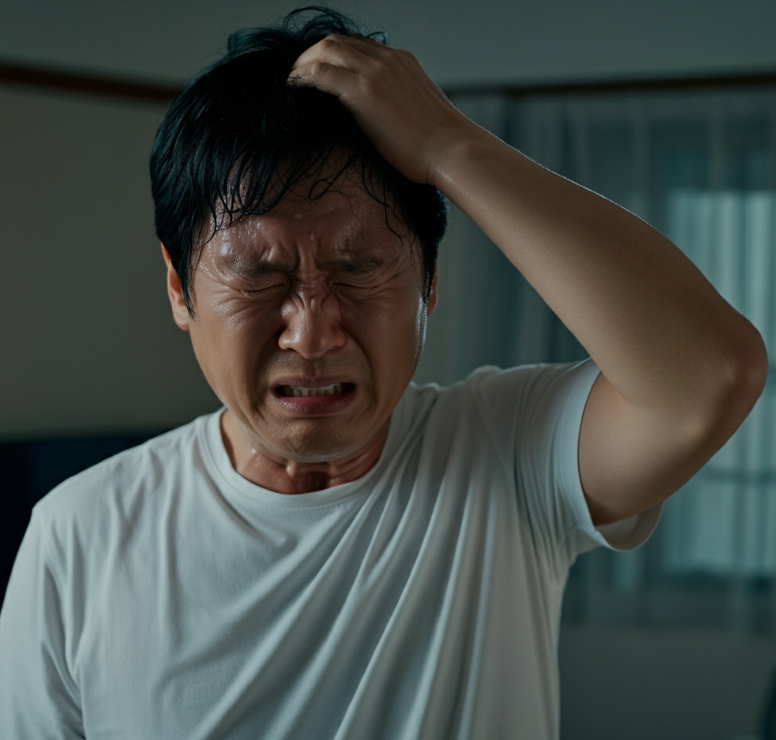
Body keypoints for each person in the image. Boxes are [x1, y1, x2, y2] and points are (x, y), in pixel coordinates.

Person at [0, 7, 767, 739]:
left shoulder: (507, 455)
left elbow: (712, 376)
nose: (311, 332)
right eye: (260, 277)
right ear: (179, 289)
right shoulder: (79, 537)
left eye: (359, 268)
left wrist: (446, 145)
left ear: (429, 285)